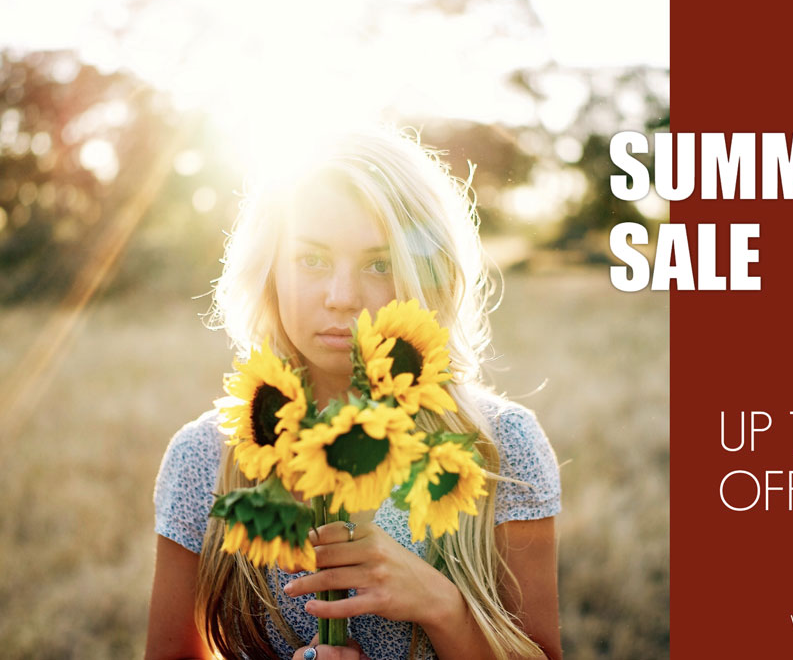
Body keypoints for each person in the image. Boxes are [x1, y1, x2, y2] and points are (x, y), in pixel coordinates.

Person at [145, 129, 562, 659]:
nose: (342, 298)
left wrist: (443, 608)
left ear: (427, 276)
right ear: (269, 270)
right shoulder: (205, 457)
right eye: (312, 260)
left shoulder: (501, 446)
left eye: (379, 264)